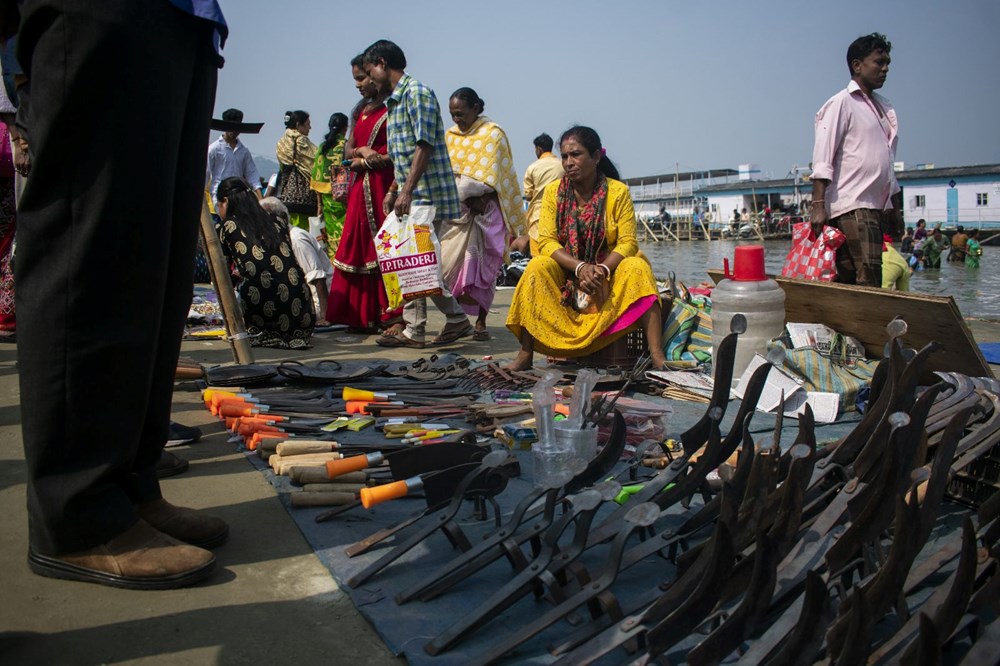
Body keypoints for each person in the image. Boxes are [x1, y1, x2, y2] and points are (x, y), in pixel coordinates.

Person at [13, 0, 227, 589]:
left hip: (184, 19)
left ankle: (130, 486)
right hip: (100, 11)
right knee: (93, 242)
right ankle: (78, 512)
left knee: (152, 266)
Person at [505, 126, 666, 371]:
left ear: (596, 157)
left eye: (576, 155)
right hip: (567, 273)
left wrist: (600, 269)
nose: (569, 162)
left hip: (606, 275)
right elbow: (547, 241)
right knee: (537, 266)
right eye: (565, 156)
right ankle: (526, 353)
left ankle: (657, 355)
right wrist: (580, 268)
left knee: (636, 266)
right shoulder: (552, 193)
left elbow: (627, 243)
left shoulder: (617, 192)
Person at [362, 39, 473, 349]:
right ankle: (454, 319)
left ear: (382, 63)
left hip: (425, 195)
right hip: (412, 194)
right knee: (415, 261)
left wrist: (406, 190)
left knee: (415, 261)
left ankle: (417, 329)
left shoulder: (416, 94)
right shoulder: (394, 101)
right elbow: (404, 153)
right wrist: (394, 189)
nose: (369, 79)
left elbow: (424, 146)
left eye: (370, 72)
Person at [810, 33, 903, 287]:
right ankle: (864, 326)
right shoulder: (841, 103)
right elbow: (822, 158)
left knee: (850, 278)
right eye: (879, 62)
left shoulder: (884, 108)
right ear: (857, 65)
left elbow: (888, 166)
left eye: (887, 64)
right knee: (869, 277)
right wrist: (818, 205)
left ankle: (846, 327)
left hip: (874, 206)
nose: (885, 69)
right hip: (853, 204)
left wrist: (895, 209)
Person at [443, 87, 526, 341]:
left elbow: (496, 177)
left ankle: (481, 322)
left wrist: (478, 193)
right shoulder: (449, 136)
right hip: (457, 212)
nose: (457, 120)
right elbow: (445, 172)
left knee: (484, 268)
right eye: (452, 115)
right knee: (450, 266)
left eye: (461, 114)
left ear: (476, 108)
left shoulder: (493, 134)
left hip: (486, 211)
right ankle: (455, 319)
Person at [326, 55, 399, 333]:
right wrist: (362, 153)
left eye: (361, 78)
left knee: (386, 248)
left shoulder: (393, 109)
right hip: (361, 188)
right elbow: (349, 150)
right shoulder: (361, 109)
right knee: (358, 248)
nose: (358, 85)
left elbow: (400, 153)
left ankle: (391, 315)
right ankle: (360, 315)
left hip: (385, 186)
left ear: (375, 74)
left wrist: (368, 160)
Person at [216, 177, 314, 348]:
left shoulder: (227, 226)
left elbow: (223, 276)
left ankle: (263, 331)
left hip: (261, 311)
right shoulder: (278, 220)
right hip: (301, 315)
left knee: (250, 286)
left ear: (225, 201)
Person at [260, 196, 332, 325]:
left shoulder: (297, 239)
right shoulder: (280, 239)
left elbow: (318, 278)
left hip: (319, 302)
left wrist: (325, 316)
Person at [206, 108, 262, 205]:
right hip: (219, 193)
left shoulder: (244, 151)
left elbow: (252, 174)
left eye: (237, 128)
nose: (234, 131)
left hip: (237, 194)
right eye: (231, 127)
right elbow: (206, 173)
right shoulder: (214, 148)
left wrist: (260, 198)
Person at [311, 112, 348, 256]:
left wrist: (319, 204)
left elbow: (316, 177)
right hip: (344, 198)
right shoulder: (346, 146)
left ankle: (335, 262)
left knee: (332, 234)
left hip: (327, 200)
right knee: (346, 231)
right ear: (345, 128)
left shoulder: (322, 147)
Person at [522, 133, 564, 256]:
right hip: (561, 213)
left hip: (538, 215)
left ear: (538, 149)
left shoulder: (533, 168)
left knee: (538, 257)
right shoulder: (562, 164)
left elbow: (528, 195)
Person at [275, 109, 318, 231]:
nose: (310, 127)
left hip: (287, 194)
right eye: (308, 124)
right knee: (305, 232)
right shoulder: (302, 141)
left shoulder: (281, 142)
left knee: (291, 230)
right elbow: (316, 161)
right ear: (299, 125)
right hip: (304, 196)